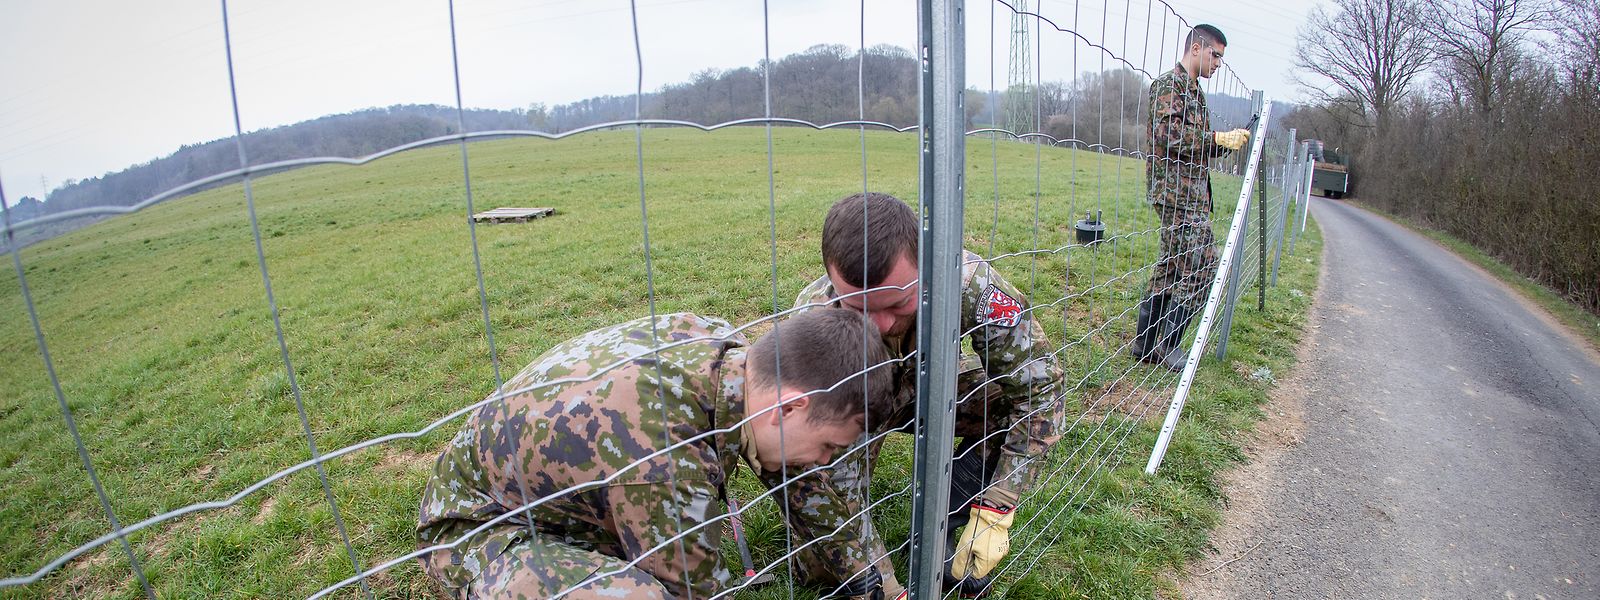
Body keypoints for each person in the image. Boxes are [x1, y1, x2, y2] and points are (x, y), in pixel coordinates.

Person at [415, 308, 895, 599]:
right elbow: (697, 591)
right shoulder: (665, 459)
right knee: (639, 595)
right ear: (789, 407)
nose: (822, 461)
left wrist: (871, 584)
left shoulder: (736, 361)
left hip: (566, 506)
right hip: (480, 533)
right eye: (828, 446)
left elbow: (801, 480)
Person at [759, 192, 1065, 599]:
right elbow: (813, 469)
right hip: (856, 407)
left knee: (1007, 407)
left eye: (900, 303)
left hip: (930, 388)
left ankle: (946, 525)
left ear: (926, 267)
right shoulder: (815, 320)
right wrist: (887, 588)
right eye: (859, 308)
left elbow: (1040, 388)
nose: (882, 325)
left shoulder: (967, 284)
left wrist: (999, 503)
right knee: (822, 566)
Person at [1132, 24, 1251, 371]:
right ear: (1196, 49)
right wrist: (1215, 138)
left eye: (1221, 59)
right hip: (1176, 195)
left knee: (1170, 269)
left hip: (1190, 195)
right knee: (1204, 268)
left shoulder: (1195, 91)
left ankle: (1145, 344)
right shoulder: (1170, 85)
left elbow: (1193, 145)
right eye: (1215, 55)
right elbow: (1168, 134)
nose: (1218, 64)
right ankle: (1168, 345)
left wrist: (1225, 143)